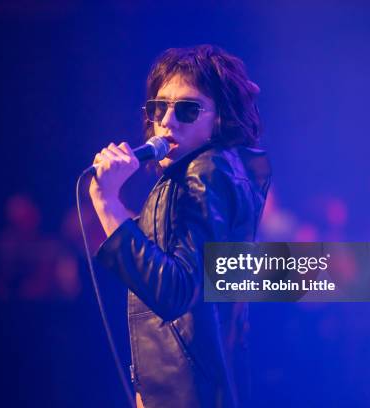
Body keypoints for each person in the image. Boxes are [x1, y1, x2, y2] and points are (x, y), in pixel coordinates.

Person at [89, 44, 271, 408]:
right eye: (159, 108)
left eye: (187, 109)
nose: (167, 121)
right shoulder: (191, 177)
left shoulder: (209, 172)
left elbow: (177, 290)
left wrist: (107, 203)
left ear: (220, 119)